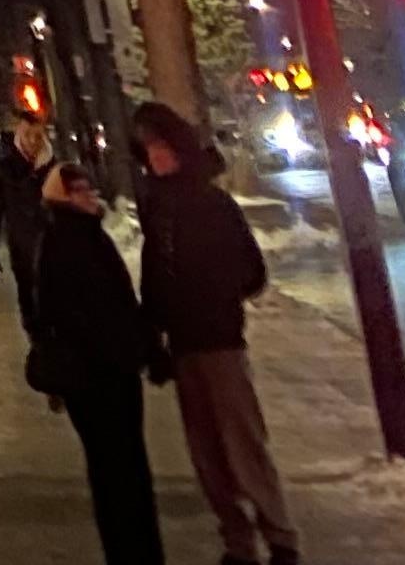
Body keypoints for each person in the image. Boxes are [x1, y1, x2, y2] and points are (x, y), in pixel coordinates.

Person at [135, 103, 297, 565]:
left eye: (162, 147)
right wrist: (154, 334)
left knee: (243, 445)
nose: (156, 157)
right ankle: (238, 541)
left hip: (220, 342)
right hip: (184, 345)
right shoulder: (157, 208)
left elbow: (251, 271)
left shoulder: (212, 204)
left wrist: (215, 296)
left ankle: (280, 537)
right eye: (149, 149)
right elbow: (154, 277)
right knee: (207, 455)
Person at [28, 158, 166, 565]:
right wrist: (129, 349)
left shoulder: (88, 236)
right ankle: (133, 554)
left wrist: (144, 347)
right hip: (97, 381)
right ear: (61, 198)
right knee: (117, 472)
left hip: (112, 375)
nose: (89, 195)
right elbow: (74, 315)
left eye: (89, 187)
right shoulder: (64, 243)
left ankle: (139, 551)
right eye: (79, 190)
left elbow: (119, 304)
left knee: (125, 469)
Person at [0, 108, 55, 336]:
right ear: (19, 135)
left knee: (57, 308)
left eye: (38, 136)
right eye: (28, 135)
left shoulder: (55, 169)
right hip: (22, 252)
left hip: (55, 251)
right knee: (30, 308)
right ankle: (39, 347)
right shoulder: (5, 170)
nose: (33, 141)